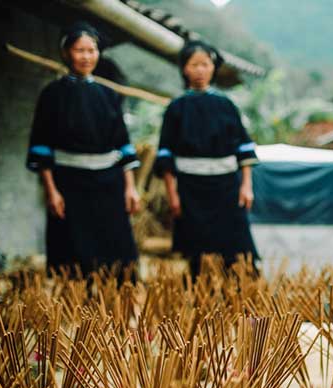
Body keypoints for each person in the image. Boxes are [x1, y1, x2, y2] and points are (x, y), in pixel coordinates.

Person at [27, 22, 140, 275]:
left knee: (115, 251)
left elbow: (123, 143)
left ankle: (114, 306)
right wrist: (52, 191)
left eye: (92, 50)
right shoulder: (52, 94)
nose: (87, 57)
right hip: (70, 184)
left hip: (109, 185)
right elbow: (41, 146)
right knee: (73, 253)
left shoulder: (108, 95)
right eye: (80, 50)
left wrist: (130, 187)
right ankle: (77, 309)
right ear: (66, 53)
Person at [154, 41, 258, 276]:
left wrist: (246, 186)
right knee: (197, 252)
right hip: (191, 190)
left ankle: (239, 298)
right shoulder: (176, 108)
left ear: (213, 68)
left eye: (205, 64)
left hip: (227, 187)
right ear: (184, 69)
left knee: (236, 249)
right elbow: (165, 155)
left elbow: (244, 149)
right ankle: (201, 301)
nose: (200, 70)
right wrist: (173, 195)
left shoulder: (226, 105)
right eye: (194, 65)